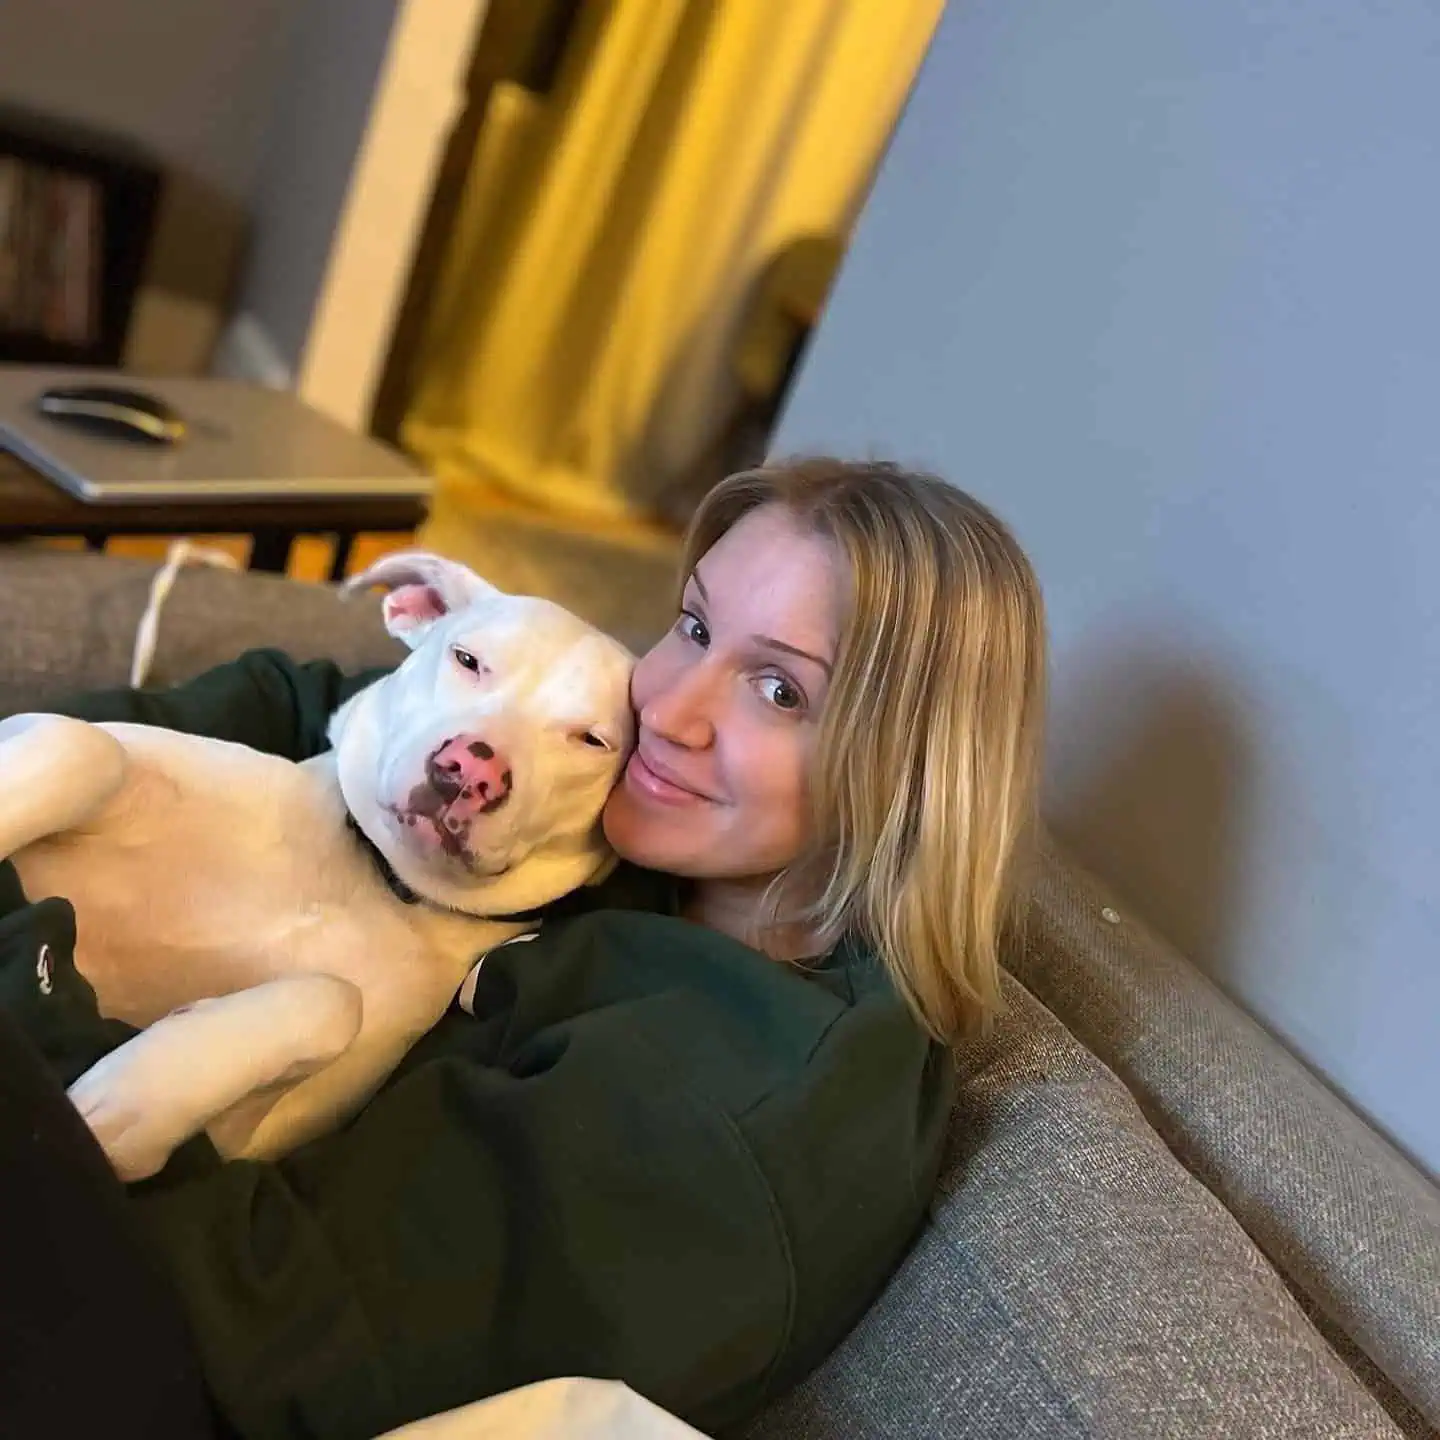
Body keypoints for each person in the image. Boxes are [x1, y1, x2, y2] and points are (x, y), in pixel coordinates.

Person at [0, 457, 1046, 1439]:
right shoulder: (678, 862)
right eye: (692, 627)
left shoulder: (712, 1115)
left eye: (779, 691)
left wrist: (23, 934)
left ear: (906, 779)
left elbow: (249, 1327)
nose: (666, 709)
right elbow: (321, 708)